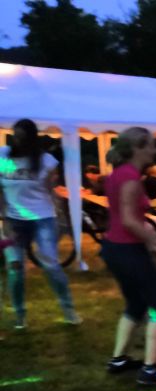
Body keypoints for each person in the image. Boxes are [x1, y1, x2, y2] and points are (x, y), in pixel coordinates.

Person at [101, 127, 156, 385]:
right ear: (138, 148)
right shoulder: (130, 178)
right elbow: (129, 221)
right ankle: (150, 370)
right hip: (127, 250)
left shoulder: (119, 174)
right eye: (151, 145)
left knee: (136, 303)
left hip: (114, 248)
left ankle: (118, 359)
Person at [0, 118, 80, 329]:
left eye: (22, 137)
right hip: (13, 220)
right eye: (15, 136)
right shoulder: (3, 156)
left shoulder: (45, 161)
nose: (17, 141)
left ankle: (69, 311)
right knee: (15, 268)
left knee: (51, 265)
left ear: (32, 139)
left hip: (42, 218)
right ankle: (20, 315)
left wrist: (63, 217)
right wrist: (4, 219)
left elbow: (51, 191)